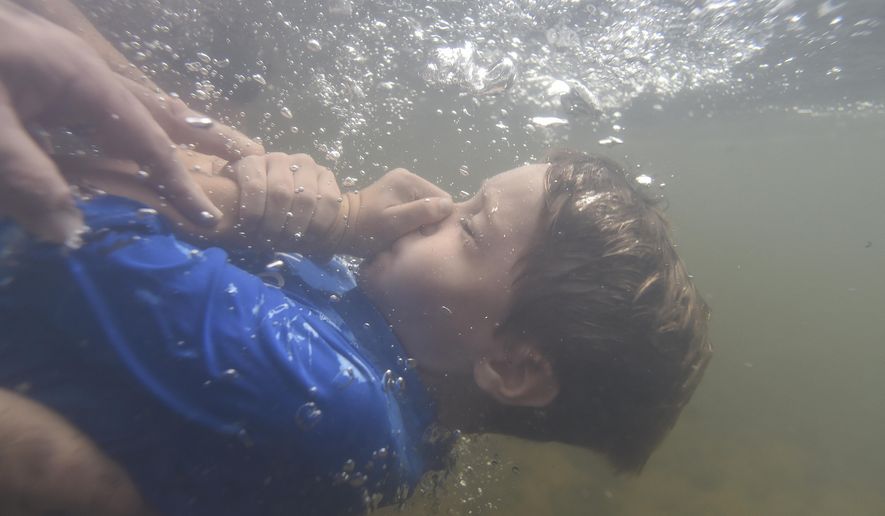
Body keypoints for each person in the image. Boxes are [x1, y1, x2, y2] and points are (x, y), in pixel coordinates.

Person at [0, 143, 712, 515]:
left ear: (512, 366)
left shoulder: (335, 397)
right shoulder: (387, 377)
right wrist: (259, 180)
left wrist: (326, 214)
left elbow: (49, 210)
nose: (434, 207)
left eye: (470, 225)